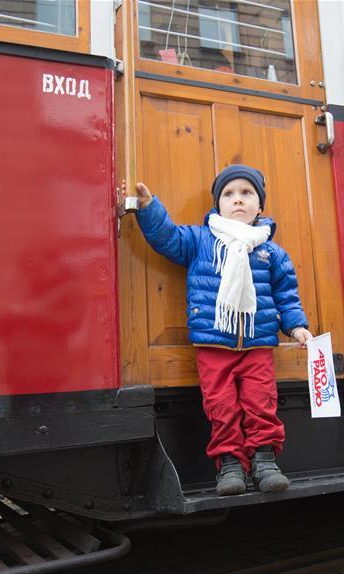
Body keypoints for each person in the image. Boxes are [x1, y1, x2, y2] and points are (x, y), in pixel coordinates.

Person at [122, 164, 313, 496]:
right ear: (218, 204)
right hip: (213, 345)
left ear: (260, 204)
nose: (237, 200)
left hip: (257, 345)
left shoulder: (271, 252)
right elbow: (167, 238)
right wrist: (149, 208)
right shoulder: (200, 240)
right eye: (229, 194)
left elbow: (286, 295)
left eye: (246, 193)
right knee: (221, 407)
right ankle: (230, 465)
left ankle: (265, 462)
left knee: (260, 404)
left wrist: (297, 327)